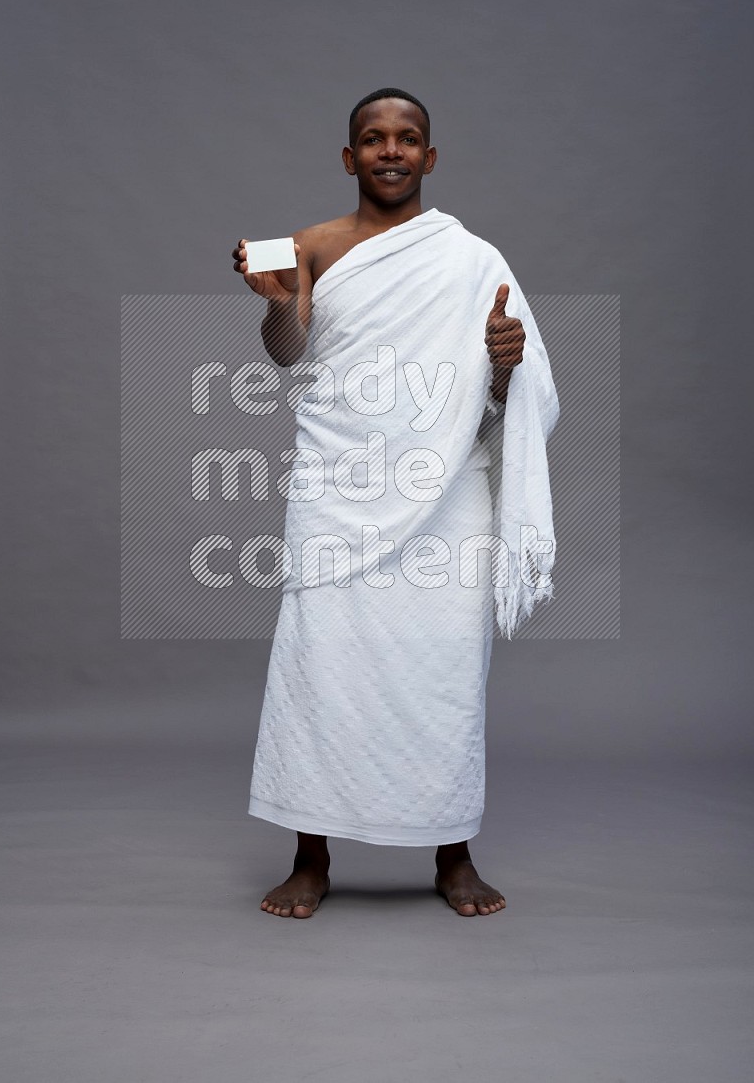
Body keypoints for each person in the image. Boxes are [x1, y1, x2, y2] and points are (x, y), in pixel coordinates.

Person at [231, 88, 557, 918]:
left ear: (430, 157)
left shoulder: (475, 258)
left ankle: (453, 853)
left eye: (407, 138)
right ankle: (310, 856)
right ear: (349, 157)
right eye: (372, 139)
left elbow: (506, 389)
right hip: (338, 485)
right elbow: (286, 354)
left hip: (442, 494)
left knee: (443, 668)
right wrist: (276, 300)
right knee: (320, 669)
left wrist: (507, 361)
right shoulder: (307, 244)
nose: (389, 150)